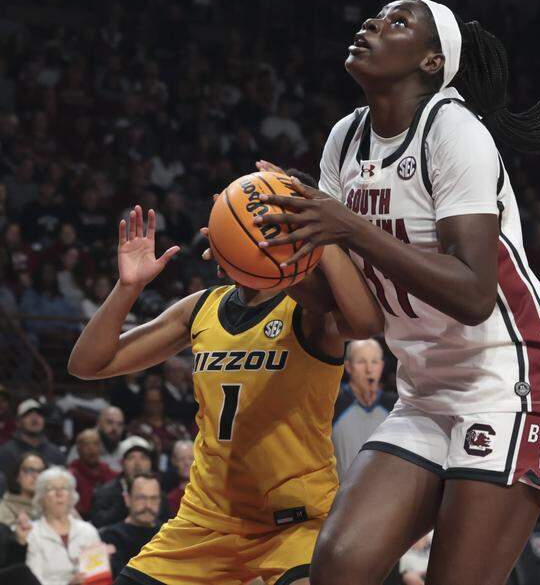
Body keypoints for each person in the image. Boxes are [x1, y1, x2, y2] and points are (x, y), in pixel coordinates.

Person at [252, 0, 540, 585]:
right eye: (374, 17)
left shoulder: (454, 131)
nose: (370, 24)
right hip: (426, 390)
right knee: (338, 565)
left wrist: (348, 225)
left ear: (432, 61)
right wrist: (269, 271)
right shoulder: (345, 140)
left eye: (397, 22)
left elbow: (472, 293)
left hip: (512, 382)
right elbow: (355, 317)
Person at [68, 198, 383, 585]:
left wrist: (319, 235)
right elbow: (87, 364)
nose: (217, 232)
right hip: (205, 521)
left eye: (235, 224)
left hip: (294, 523)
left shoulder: (310, 313)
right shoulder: (200, 308)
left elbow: (367, 322)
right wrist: (127, 287)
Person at [25, 467, 105, 585]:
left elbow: (100, 577)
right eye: (51, 488)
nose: (59, 493)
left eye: (64, 488)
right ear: (41, 497)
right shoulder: (32, 534)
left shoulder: (88, 531)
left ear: (72, 496)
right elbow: (34, 581)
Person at [332, 338, 390, 476]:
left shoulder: (394, 406)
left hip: (384, 492)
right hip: (339, 494)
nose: (369, 369)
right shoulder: (333, 402)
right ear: (348, 367)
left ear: (382, 366)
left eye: (374, 362)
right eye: (361, 362)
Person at [88, 436, 162, 529]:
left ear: (150, 463)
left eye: (143, 458)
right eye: (131, 458)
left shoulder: (158, 491)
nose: (138, 464)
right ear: (122, 463)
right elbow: (98, 524)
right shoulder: (104, 493)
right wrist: (122, 503)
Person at [98, 473, 162, 578]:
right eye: (141, 498)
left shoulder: (168, 534)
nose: (148, 505)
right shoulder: (111, 536)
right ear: (127, 499)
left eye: (154, 498)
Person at [0, 399, 66, 475]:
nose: (35, 419)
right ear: (18, 422)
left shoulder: (55, 453)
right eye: (28, 415)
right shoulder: (6, 453)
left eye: (39, 415)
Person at [68, 428, 117, 519]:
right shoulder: (69, 476)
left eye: (95, 444)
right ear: (78, 449)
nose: (91, 449)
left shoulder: (112, 475)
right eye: (86, 444)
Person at [65, 406, 126, 472]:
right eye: (109, 422)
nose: (115, 428)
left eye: (120, 424)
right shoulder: (84, 445)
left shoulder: (125, 449)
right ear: (98, 423)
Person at [0, 451, 44, 527]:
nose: (36, 476)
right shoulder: (5, 508)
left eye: (40, 471)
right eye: (30, 470)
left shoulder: (49, 504)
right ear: (17, 476)